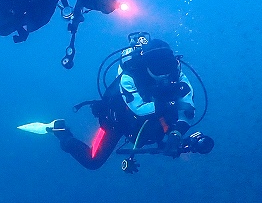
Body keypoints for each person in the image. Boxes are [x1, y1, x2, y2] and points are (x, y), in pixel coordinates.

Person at [51, 36, 214, 170]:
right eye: (159, 68)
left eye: (168, 66)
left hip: (155, 120)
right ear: (147, 65)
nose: (165, 74)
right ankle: (62, 133)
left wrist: (176, 133)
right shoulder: (130, 75)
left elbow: (187, 108)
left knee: (172, 125)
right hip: (118, 121)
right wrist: (170, 105)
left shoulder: (177, 74)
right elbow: (139, 109)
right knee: (93, 161)